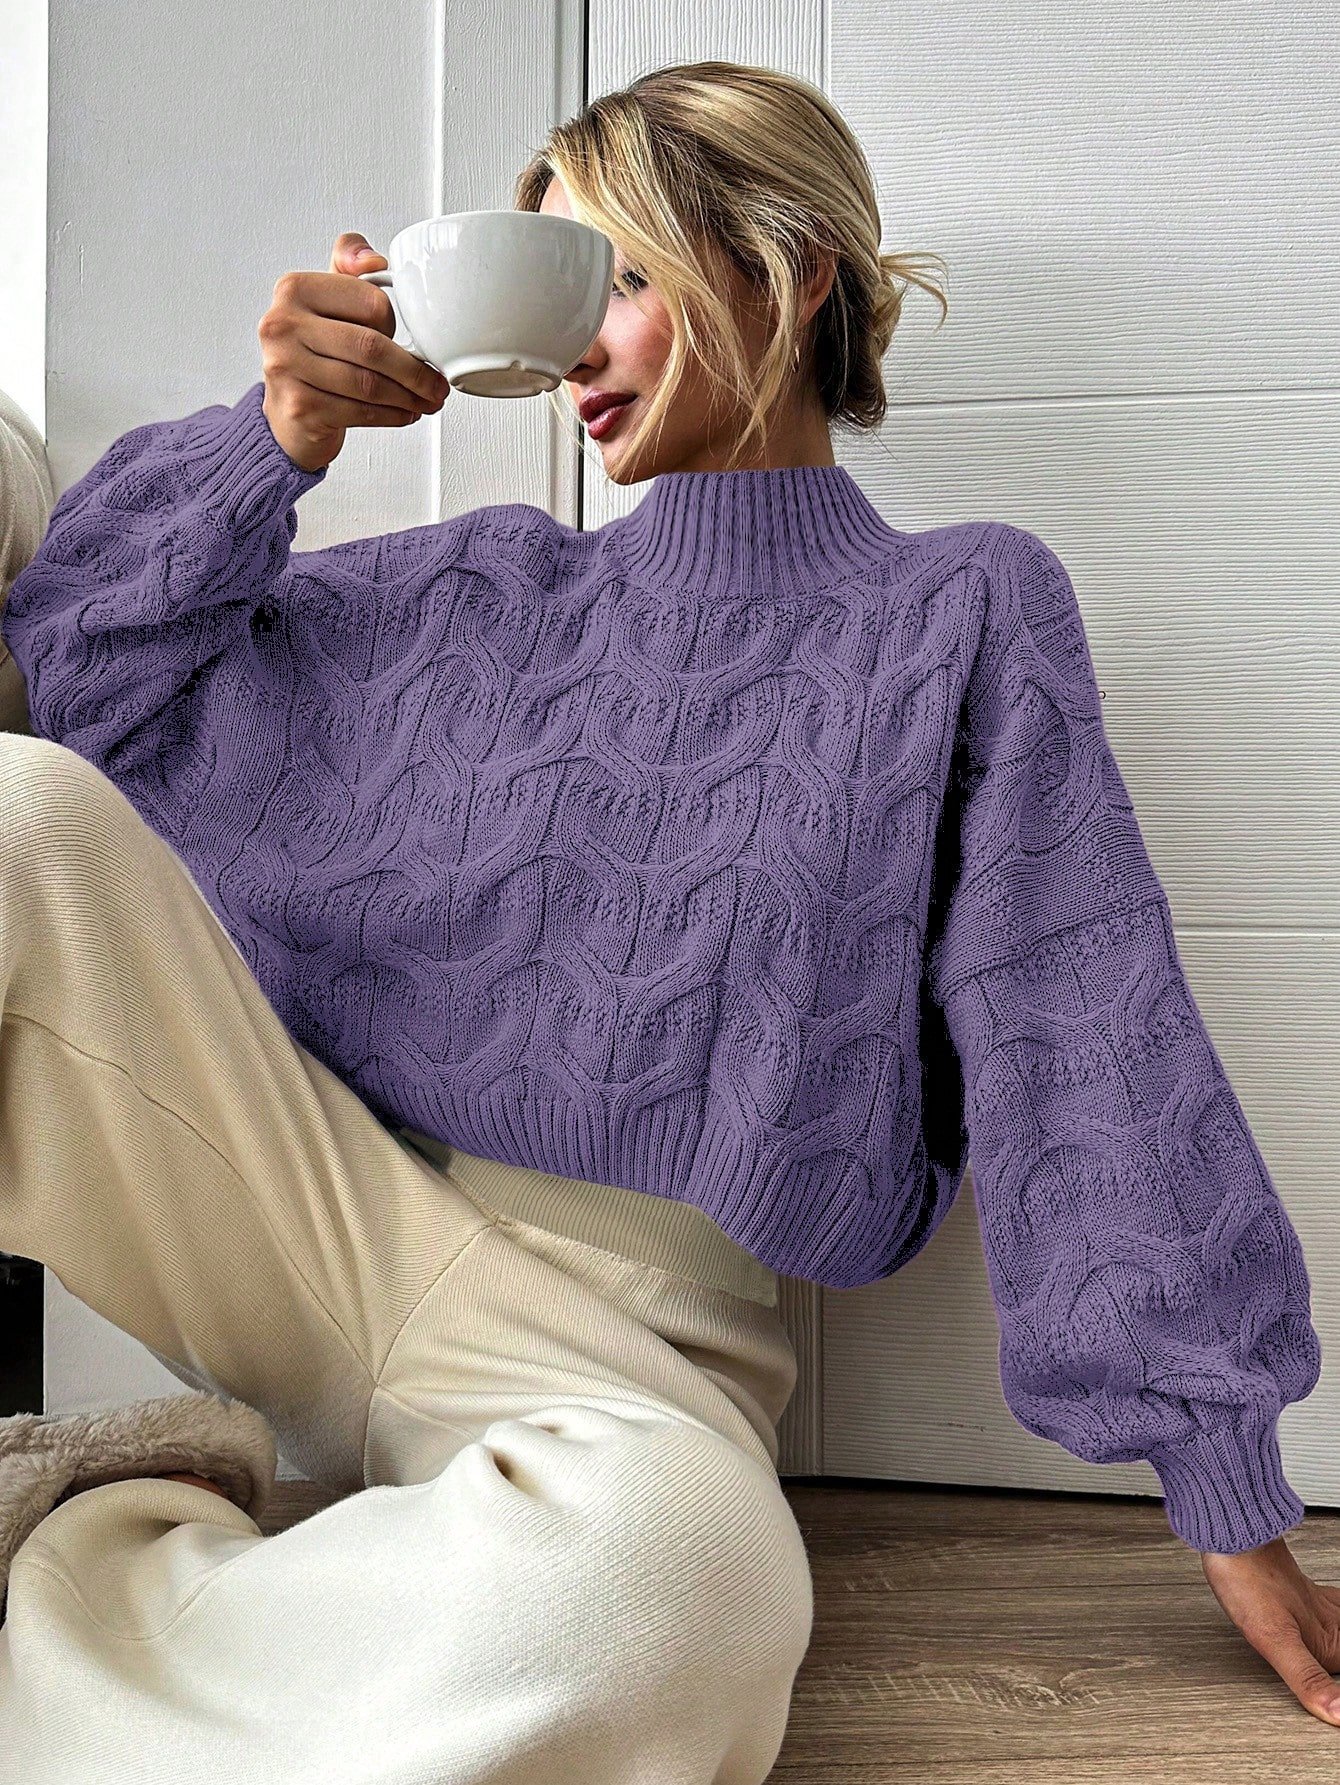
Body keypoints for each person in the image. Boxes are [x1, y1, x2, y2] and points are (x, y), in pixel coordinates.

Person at [0, 54, 1333, 1780]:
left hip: (625, 1363)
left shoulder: (956, 611)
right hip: (310, 1215)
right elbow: (80, 670)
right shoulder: (481, 586)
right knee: (15, 815)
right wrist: (277, 439)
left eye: (620, 278)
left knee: (675, 1600)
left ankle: (92, 1565)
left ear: (793, 274)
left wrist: (1223, 1482)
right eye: (558, 287)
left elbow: (1080, 1028)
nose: (580, 345)